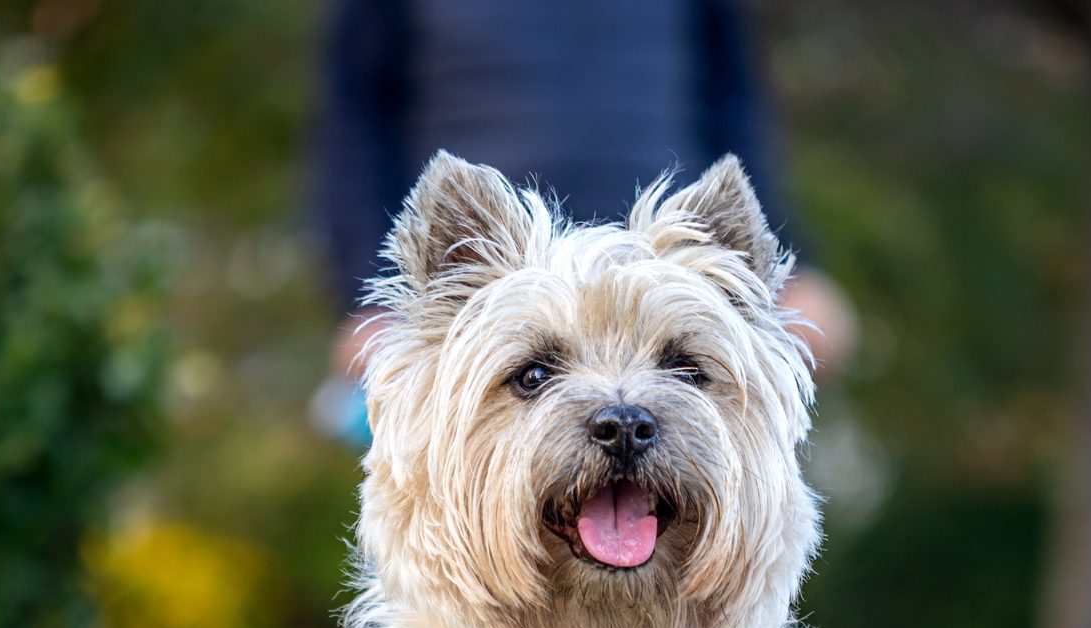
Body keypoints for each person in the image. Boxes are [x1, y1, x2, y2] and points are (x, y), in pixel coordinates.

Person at [308, 0, 855, 447]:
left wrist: (790, 267)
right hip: (483, 256)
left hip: (672, 250)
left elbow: (731, 105)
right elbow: (355, 122)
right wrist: (370, 297)